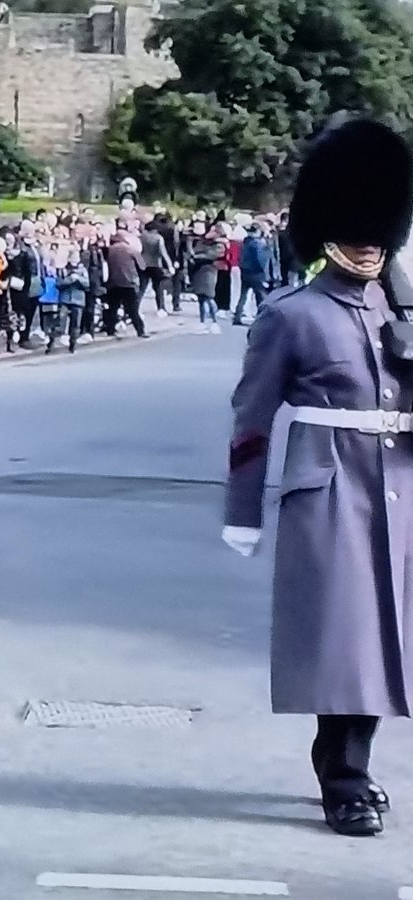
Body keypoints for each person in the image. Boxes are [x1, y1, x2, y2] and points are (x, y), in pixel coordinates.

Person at [224, 116, 413, 838]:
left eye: (378, 229)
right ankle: (345, 777)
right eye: (355, 227)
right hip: (330, 487)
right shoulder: (291, 316)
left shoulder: (402, 306)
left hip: (399, 484)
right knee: (348, 638)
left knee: (388, 638)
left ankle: (347, 758)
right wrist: (244, 511)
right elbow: (251, 421)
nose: (367, 242)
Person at [103, 227, 146, 338]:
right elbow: (142, 266)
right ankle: (140, 330)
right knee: (132, 309)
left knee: (112, 308)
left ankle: (110, 329)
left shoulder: (108, 250)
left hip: (113, 283)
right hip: (129, 283)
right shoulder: (131, 250)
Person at [188, 220, 224, 333]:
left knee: (209, 296)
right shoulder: (202, 242)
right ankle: (202, 321)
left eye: (213, 231)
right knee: (201, 297)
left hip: (209, 271)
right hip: (199, 271)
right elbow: (194, 252)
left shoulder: (219, 244)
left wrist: (197, 256)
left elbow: (212, 256)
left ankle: (214, 321)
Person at [52, 247, 89, 354]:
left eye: (76, 258)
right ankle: (51, 343)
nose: (75, 260)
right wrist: (69, 280)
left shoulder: (83, 271)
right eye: (72, 258)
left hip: (78, 300)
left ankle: (73, 345)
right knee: (60, 321)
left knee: (75, 324)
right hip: (65, 299)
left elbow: (87, 284)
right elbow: (58, 284)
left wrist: (78, 278)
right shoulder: (63, 270)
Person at [233, 222, 271, 325]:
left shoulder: (246, 241)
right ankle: (262, 318)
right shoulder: (257, 243)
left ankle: (237, 315)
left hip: (245, 270)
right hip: (256, 272)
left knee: (243, 295)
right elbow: (260, 259)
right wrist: (264, 270)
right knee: (260, 295)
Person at [139, 217, 174, 316]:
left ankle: (137, 308)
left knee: (141, 288)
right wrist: (170, 265)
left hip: (143, 264)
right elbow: (163, 253)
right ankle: (161, 308)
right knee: (158, 288)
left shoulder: (141, 237)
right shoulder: (158, 238)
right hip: (155, 264)